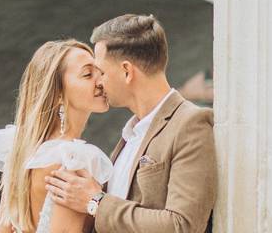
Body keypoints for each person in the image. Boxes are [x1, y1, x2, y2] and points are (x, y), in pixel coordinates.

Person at [45, 14, 217, 233]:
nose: (99, 82)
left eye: (103, 72)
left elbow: (181, 225)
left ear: (127, 71)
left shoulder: (191, 124)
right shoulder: (131, 132)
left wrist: (96, 201)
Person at [0, 40, 113, 233]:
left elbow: (3, 229)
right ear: (57, 94)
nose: (101, 81)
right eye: (87, 74)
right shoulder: (72, 160)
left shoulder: (23, 151)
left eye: (100, 72)